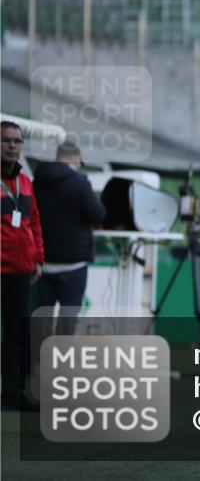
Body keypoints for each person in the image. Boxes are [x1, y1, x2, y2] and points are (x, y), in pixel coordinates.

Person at [34, 140, 106, 335]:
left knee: (41, 318)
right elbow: (97, 214)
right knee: (67, 321)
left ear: (57, 158)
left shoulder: (37, 182)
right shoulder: (80, 183)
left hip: (43, 263)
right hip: (73, 265)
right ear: (75, 159)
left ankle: (38, 353)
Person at [1, 120, 45, 411]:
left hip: (20, 272)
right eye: (6, 140)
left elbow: (34, 222)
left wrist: (38, 258)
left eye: (17, 141)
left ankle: (13, 395)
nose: (12, 146)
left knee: (17, 336)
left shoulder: (26, 182)